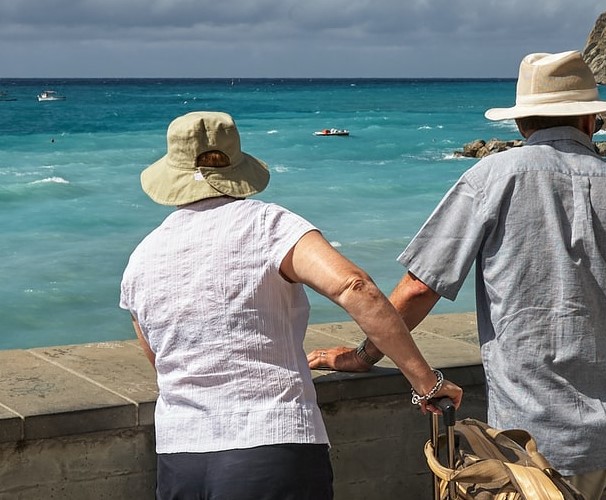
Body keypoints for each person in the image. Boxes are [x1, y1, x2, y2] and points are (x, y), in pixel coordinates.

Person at [308, 51, 606, 499]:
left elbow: (420, 287)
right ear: (591, 118)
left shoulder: (491, 178)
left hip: (540, 444)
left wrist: (362, 356)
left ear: (523, 123)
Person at [119, 111, 462, 500]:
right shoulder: (269, 226)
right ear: (238, 166)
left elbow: (160, 357)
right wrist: (425, 382)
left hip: (180, 458)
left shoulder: (142, 257)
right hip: (272, 446)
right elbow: (354, 286)